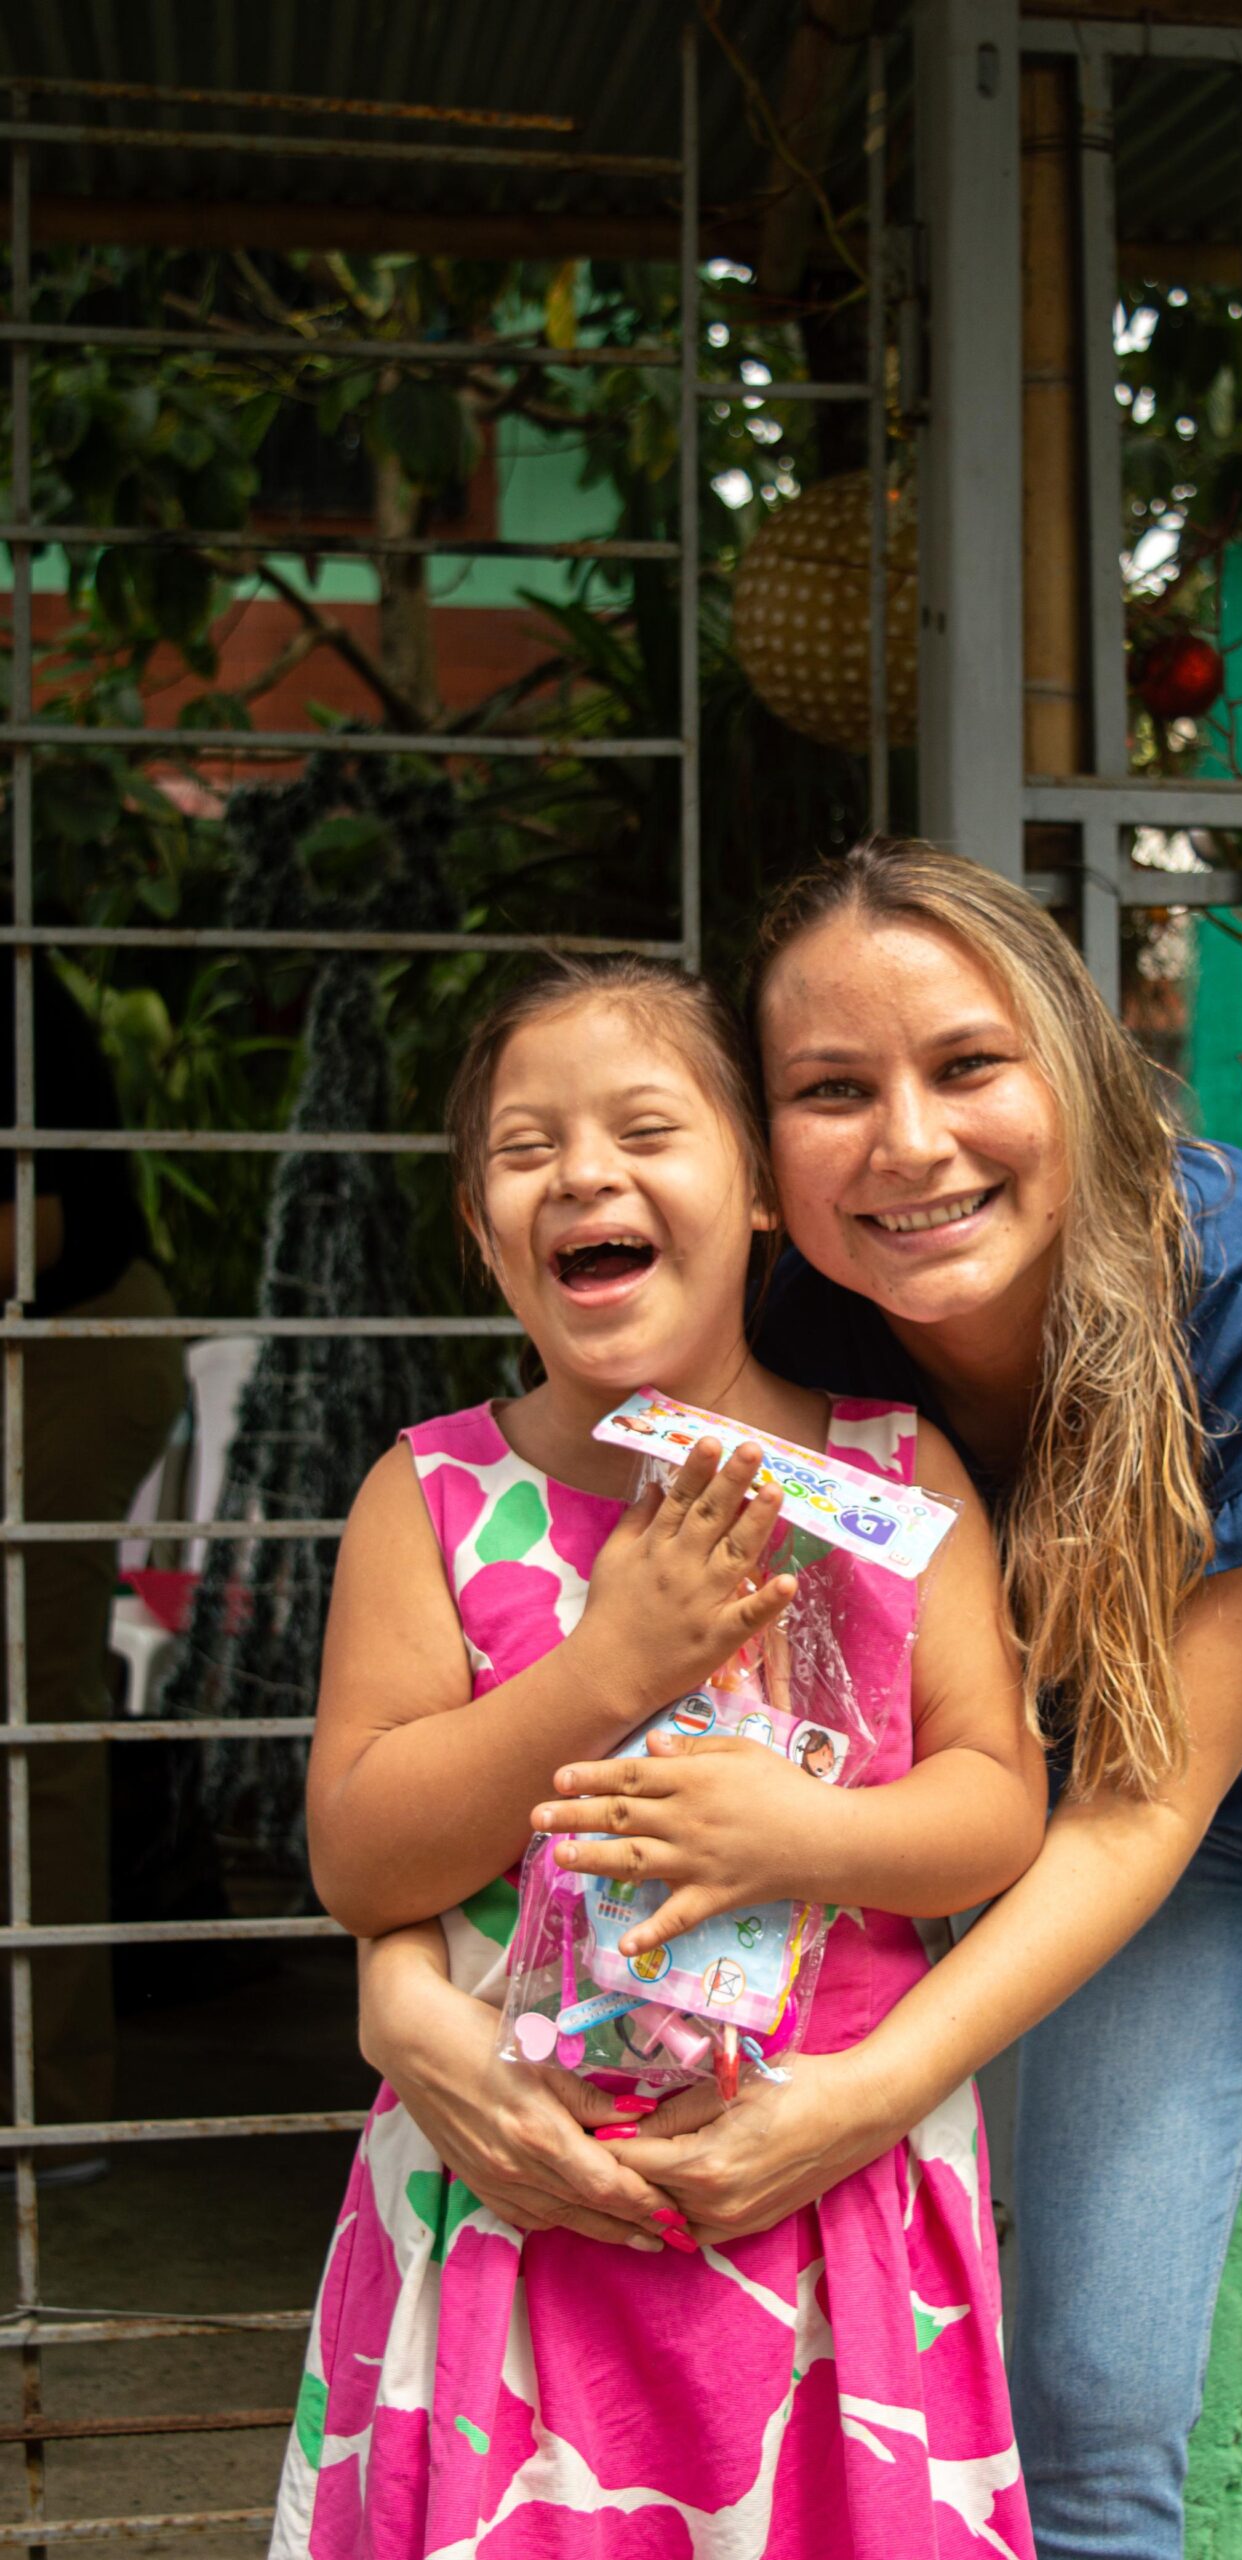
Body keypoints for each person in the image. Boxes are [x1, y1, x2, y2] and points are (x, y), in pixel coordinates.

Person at [361, 842, 1242, 2560]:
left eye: (966, 1066)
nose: (907, 1145)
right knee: (1092, 2376)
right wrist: (400, 1999)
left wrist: (859, 2101)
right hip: (1126, 1787)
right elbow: (479, 1675)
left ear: (1078, 1071)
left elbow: (1127, 1817)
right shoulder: (805, 1314)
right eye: (829, 1090)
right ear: (762, 1156)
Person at [273, 950, 1044, 2560]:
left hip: (826, 2208)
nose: (584, 1174)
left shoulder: (895, 1487)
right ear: (488, 1235)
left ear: (760, 1191)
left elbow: (995, 1808)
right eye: (524, 1150)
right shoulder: (428, 1499)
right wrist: (607, 1668)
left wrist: (800, 1838)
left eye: (644, 1127)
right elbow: (361, 1856)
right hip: (511, 2201)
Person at [0, 959, 183, 2152]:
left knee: (29, 1716)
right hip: (46, 1341)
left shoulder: (18, 995)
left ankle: (50, 2108)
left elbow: (38, 1228)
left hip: (71, 1344)